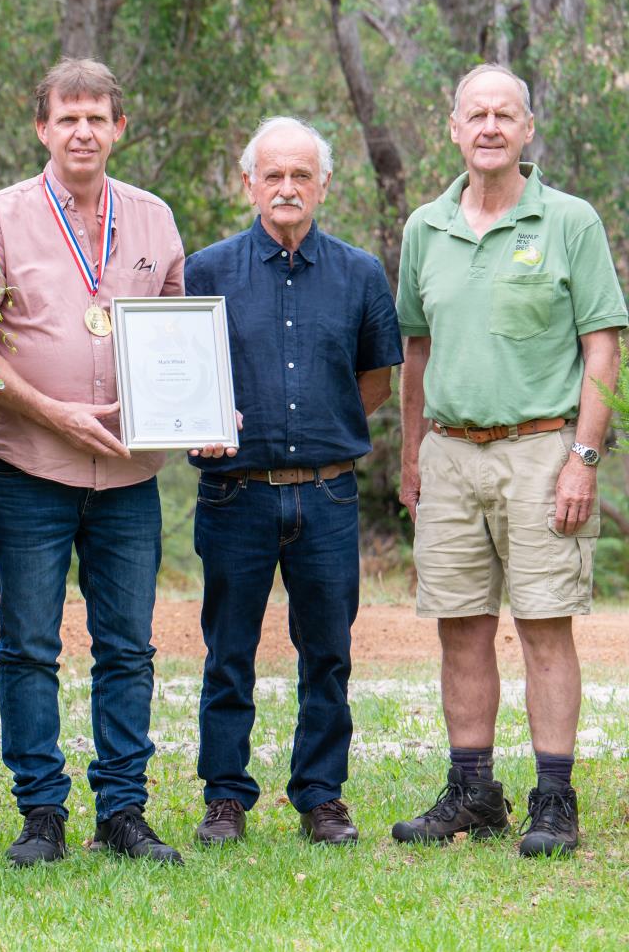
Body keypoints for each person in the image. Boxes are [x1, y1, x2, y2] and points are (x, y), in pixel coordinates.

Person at [392, 63, 626, 857]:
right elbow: (416, 350)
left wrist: (584, 456)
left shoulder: (569, 221)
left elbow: (602, 344)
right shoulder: (425, 227)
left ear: (528, 130)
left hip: (541, 448)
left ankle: (553, 798)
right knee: (459, 628)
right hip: (450, 452)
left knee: (544, 626)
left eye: (505, 115)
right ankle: (473, 792)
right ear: (453, 128)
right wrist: (411, 453)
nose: (489, 127)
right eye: (475, 114)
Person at [0, 57, 188, 867]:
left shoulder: (156, 220)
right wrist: (50, 409)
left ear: (120, 127)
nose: (83, 131)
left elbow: (176, 339)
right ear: (41, 127)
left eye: (98, 117)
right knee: (28, 643)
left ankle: (124, 810)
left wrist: (201, 404)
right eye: (68, 117)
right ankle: (41, 813)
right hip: (30, 466)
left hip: (130, 477)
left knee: (127, 644)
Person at [184, 117, 402, 847]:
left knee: (328, 651)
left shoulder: (361, 272)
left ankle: (320, 794)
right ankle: (225, 796)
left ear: (323, 185)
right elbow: (183, 377)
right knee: (229, 650)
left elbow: (372, 379)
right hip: (233, 492)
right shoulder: (206, 270)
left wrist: (320, 434)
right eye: (272, 174)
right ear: (248, 182)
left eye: (300, 175)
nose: (286, 187)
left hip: (329, 492)